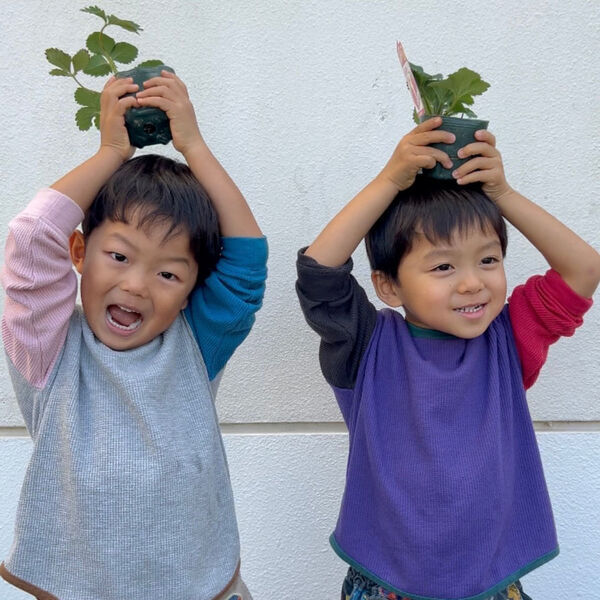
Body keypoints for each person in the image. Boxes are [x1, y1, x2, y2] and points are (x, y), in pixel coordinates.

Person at [295, 117, 600, 600]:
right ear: (388, 286)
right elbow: (319, 272)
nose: (472, 282)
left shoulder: (509, 341)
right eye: (443, 266)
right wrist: (389, 179)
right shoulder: (366, 345)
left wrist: (502, 193)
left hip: (490, 581)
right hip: (386, 580)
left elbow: (583, 269)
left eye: (488, 259)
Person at [0, 72, 266, 600]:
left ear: (192, 290)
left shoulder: (196, 345)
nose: (137, 285)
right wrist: (110, 152)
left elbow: (246, 264)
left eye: (168, 273)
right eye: (119, 256)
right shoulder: (47, 348)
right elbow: (32, 239)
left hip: (201, 587)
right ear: (79, 253)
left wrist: (194, 145)